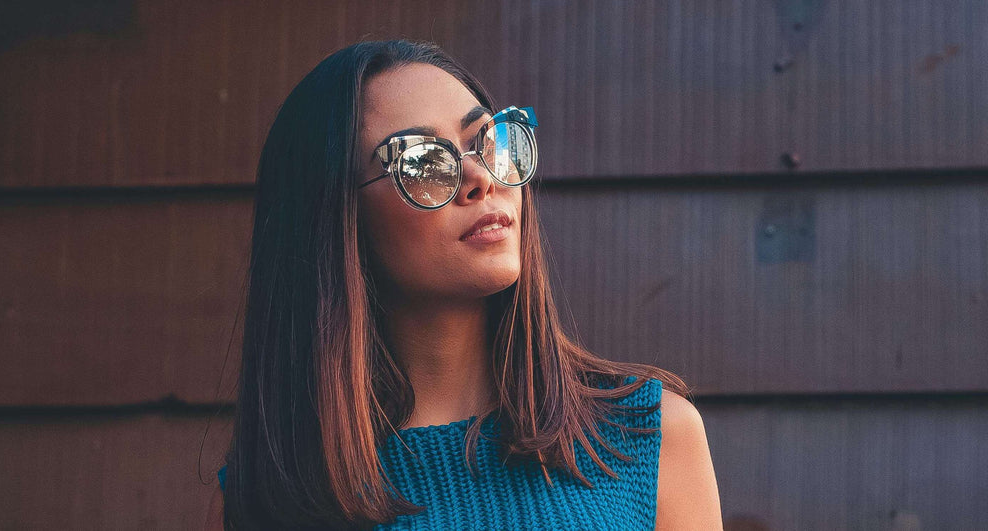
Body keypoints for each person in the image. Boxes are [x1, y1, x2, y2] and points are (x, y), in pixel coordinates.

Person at [204, 39, 722, 530]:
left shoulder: (648, 437)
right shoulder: (272, 497)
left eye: (487, 141)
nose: (481, 175)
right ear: (334, 218)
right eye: (424, 161)